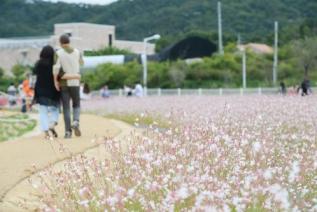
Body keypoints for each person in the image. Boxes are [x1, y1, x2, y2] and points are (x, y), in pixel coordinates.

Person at [53, 34, 83, 139]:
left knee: (66, 107)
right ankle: (76, 121)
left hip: (64, 83)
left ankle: (67, 132)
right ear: (69, 42)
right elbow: (82, 63)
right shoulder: (78, 52)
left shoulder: (58, 53)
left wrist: (55, 81)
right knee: (76, 104)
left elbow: (56, 69)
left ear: (60, 43)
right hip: (75, 82)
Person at [33, 45, 60, 139]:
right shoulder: (55, 63)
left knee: (43, 111)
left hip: (40, 89)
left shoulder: (38, 64)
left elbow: (34, 73)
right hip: (53, 89)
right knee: (55, 108)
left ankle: (45, 132)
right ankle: (52, 123)